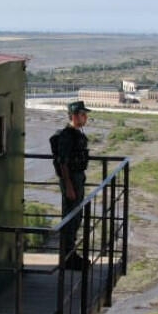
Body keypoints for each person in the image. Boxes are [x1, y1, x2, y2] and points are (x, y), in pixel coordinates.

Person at [56, 100, 90, 270]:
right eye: (83, 114)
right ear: (75, 116)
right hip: (71, 180)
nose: (86, 117)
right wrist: (68, 185)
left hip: (77, 178)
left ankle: (71, 254)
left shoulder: (76, 134)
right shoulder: (67, 135)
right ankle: (67, 257)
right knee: (70, 218)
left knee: (76, 217)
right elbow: (63, 162)